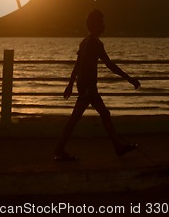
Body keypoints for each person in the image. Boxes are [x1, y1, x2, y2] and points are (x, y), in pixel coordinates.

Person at [54, 9, 141, 161]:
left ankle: (117, 146)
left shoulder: (85, 41)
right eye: (102, 22)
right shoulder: (95, 43)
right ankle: (60, 150)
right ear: (97, 24)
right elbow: (110, 65)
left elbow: (77, 64)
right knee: (83, 117)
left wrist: (70, 84)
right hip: (89, 88)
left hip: (85, 86)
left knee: (90, 117)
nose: (104, 25)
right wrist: (129, 78)